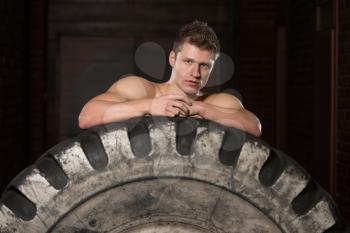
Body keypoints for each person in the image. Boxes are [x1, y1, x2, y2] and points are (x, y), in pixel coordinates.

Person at [78, 20, 262, 137]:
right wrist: (150, 106)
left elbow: (254, 127)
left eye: (204, 65)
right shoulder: (139, 89)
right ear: (173, 59)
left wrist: (197, 108)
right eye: (188, 61)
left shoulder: (218, 101)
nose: (196, 73)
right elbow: (86, 117)